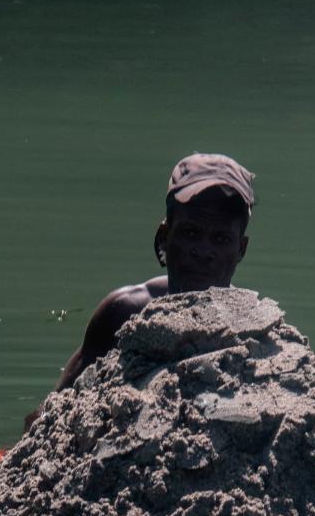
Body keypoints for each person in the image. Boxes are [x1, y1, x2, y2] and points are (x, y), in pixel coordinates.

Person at [24, 153, 255, 429]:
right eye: (191, 233)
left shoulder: (254, 334)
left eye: (221, 239)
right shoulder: (125, 314)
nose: (204, 251)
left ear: (240, 249)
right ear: (164, 237)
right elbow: (46, 418)